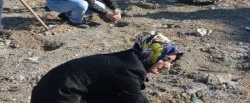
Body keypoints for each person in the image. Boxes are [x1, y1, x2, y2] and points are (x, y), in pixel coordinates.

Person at [31, 31, 182, 103]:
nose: (168, 67)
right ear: (151, 53)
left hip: (49, 92)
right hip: (55, 97)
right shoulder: (129, 70)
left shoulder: (129, 58)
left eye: (171, 62)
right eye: (166, 59)